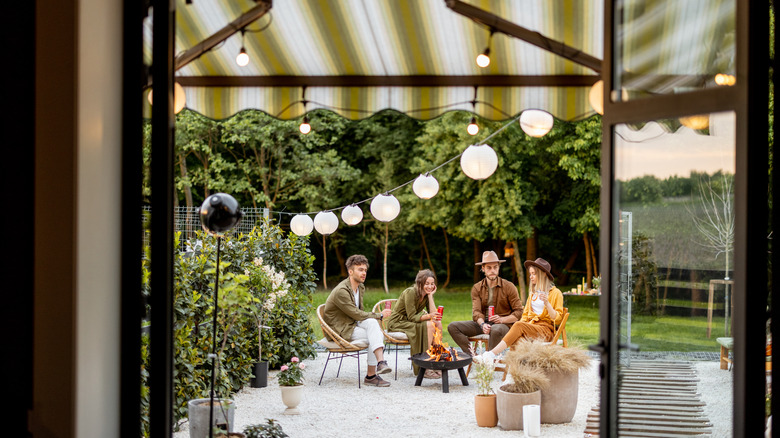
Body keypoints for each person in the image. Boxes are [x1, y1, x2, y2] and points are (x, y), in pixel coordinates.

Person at [473, 257, 564, 363]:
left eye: (534, 274)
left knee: (518, 325)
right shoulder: (533, 294)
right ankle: (511, 376)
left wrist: (547, 304)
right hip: (531, 328)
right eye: (530, 274)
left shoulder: (555, 293)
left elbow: (557, 320)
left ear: (543, 274)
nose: (531, 277)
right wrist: (517, 331)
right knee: (517, 338)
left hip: (546, 331)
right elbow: (524, 316)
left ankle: (490, 354)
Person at [322, 254, 393, 387]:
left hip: (351, 324)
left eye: (365, 270)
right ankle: (373, 374)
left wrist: (373, 318)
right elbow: (356, 314)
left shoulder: (360, 287)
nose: (364, 273)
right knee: (375, 333)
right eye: (360, 269)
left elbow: (359, 312)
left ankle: (379, 365)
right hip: (340, 330)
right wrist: (379, 315)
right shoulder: (341, 291)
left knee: (374, 328)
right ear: (350, 271)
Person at [447, 250, 524, 354]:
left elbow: (519, 312)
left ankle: (488, 361)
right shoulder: (477, 288)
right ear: (483, 268)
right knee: (453, 326)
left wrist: (502, 319)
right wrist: (482, 324)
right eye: (489, 267)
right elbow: (476, 312)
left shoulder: (509, 286)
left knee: (495, 329)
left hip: (504, 325)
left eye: (495, 267)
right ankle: (474, 356)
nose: (492, 270)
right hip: (484, 324)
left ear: (498, 267)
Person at [386, 269, 443, 378]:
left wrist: (430, 296)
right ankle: (426, 366)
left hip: (409, 322)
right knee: (430, 324)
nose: (429, 287)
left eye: (432, 284)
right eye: (427, 284)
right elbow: (412, 317)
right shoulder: (410, 292)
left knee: (438, 324)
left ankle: (436, 360)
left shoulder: (426, 295)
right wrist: (429, 317)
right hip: (398, 322)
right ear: (419, 283)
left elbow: (434, 315)